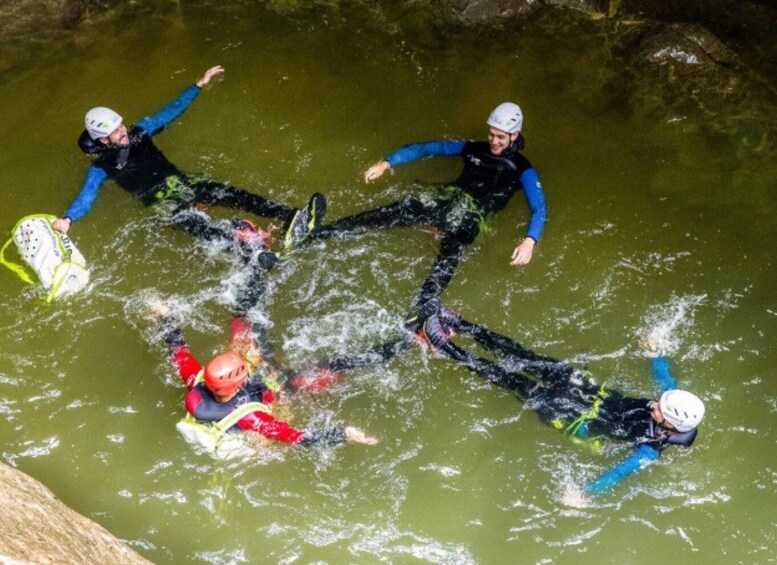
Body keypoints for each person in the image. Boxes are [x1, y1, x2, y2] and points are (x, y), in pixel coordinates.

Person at [415, 306, 704, 502]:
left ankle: (444, 347)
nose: (654, 404)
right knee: (526, 357)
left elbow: (619, 473)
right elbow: (665, 379)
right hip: (593, 392)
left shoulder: (649, 450)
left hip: (578, 419)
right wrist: (655, 354)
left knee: (511, 379)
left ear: (669, 424)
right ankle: (460, 324)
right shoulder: (671, 401)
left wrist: (585, 494)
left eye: (659, 410)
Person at [293, 102, 547, 319]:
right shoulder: (473, 149)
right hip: (448, 198)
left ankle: (422, 308)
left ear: (515, 135)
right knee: (395, 211)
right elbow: (427, 148)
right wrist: (386, 163)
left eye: (500, 137)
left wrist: (529, 241)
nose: (493, 141)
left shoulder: (523, 168)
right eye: (491, 134)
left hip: (475, 215)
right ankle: (318, 233)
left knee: (451, 249)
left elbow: (539, 208)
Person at [151, 222, 376, 455]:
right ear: (239, 382)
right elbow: (296, 437)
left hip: (238, 405)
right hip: (267, 407)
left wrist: (164, 316)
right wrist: (345, 435)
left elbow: (178, 351)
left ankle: (257, 257)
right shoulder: (252, 418)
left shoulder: (196, 379)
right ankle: (409, 340)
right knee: (331, 369)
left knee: (244, 317)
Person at [52, 65, 324, 251]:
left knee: (230, 194)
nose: (123, 131)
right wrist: (68, 219)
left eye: (121, 124)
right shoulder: (101, 168)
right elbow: (86, 197)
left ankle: (291, 217)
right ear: (102, 140)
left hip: (181, 184)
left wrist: (197, 86)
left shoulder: (140, 132)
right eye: (115, 131)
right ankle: (251, 252)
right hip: (163, 204)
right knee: (202, 229)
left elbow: (169, 112)